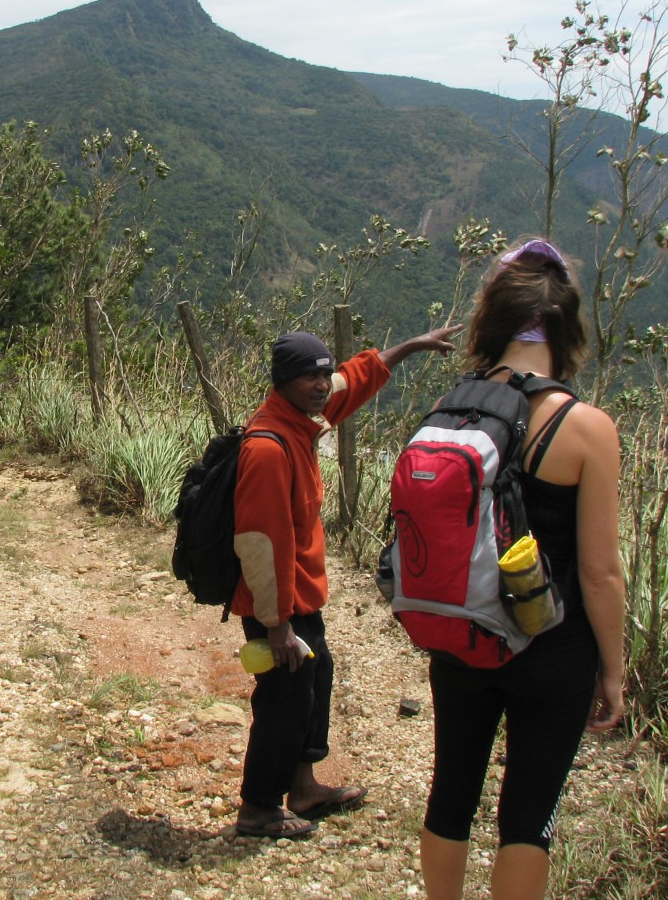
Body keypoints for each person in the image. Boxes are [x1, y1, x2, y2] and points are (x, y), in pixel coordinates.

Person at [418, 238, 627, 899]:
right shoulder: (587, 428)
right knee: (527, 819)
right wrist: (615, 670)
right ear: (566, 332)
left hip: (462, 635)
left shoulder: (452, 408)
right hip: (552, 650)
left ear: (495, 322)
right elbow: (600, 574)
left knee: (451, 793)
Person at [231, 324, 460, 839]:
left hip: (299, 599)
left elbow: (352, 381)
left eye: (323, 372)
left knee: (314, 680)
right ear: (284, 381)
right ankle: (259, 808)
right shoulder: (269, 447)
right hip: (277, 605)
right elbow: (260, 546)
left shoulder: (302, 417)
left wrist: (412, 344)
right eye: (309, 375)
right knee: (284, 701)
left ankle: (304, 786)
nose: (321, 383)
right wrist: (276, 626)